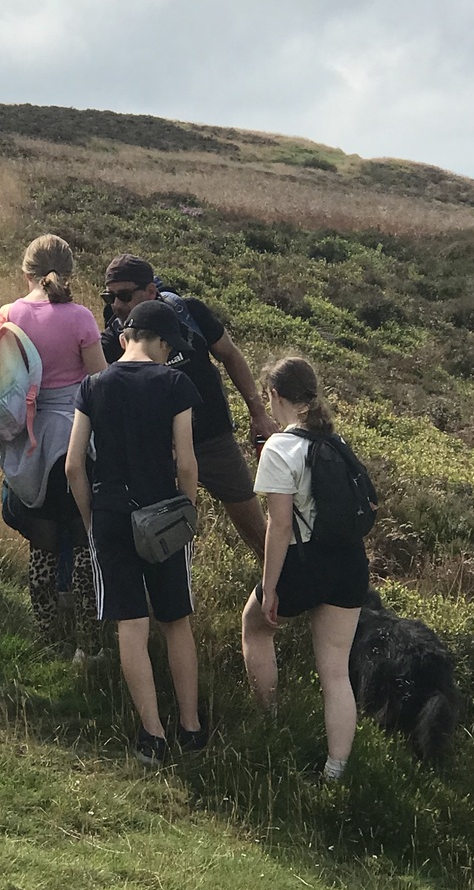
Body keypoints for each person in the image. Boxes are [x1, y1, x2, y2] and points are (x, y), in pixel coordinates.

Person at [66, 300, 206, 766]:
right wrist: (188, 512)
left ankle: (152, 736)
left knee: (132, 624)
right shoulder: (174, 383)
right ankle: (191, 728)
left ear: (127, 337)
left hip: (110, 512)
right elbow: (186, 462)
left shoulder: (93, 385)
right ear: (162, 342)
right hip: (164, 513)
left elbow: (73, 465)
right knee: (176, 621)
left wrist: (91, 520)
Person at [240, 356, 369, 782]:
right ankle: (335, 772)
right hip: (349, 562)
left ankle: (270, 722)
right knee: (335, 669)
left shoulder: (280, 447)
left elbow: (279, 527)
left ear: (275, 396)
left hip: (304, 561)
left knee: (255, 627)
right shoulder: (337, 442)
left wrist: (269, 586)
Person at [99, 254, 275, 558]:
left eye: (124, 295)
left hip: (213, 441)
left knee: (257, 531)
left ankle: (283, 587)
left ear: (151, 291)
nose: (116, 305)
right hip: (159, 455)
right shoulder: (114, 340)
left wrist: (258, 413)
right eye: (109, 296)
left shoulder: (189, 313)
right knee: (161, 538)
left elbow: (230, 355)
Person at [0, 235, 107, 658]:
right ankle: (89, 646)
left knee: (41, 544)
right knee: (81, 542)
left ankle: (46, 638)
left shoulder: (10, 314)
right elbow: (99, 381)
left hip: (28, 438)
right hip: (75, 441)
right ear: (70, 273)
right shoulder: (80, 318)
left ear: (25, 273)